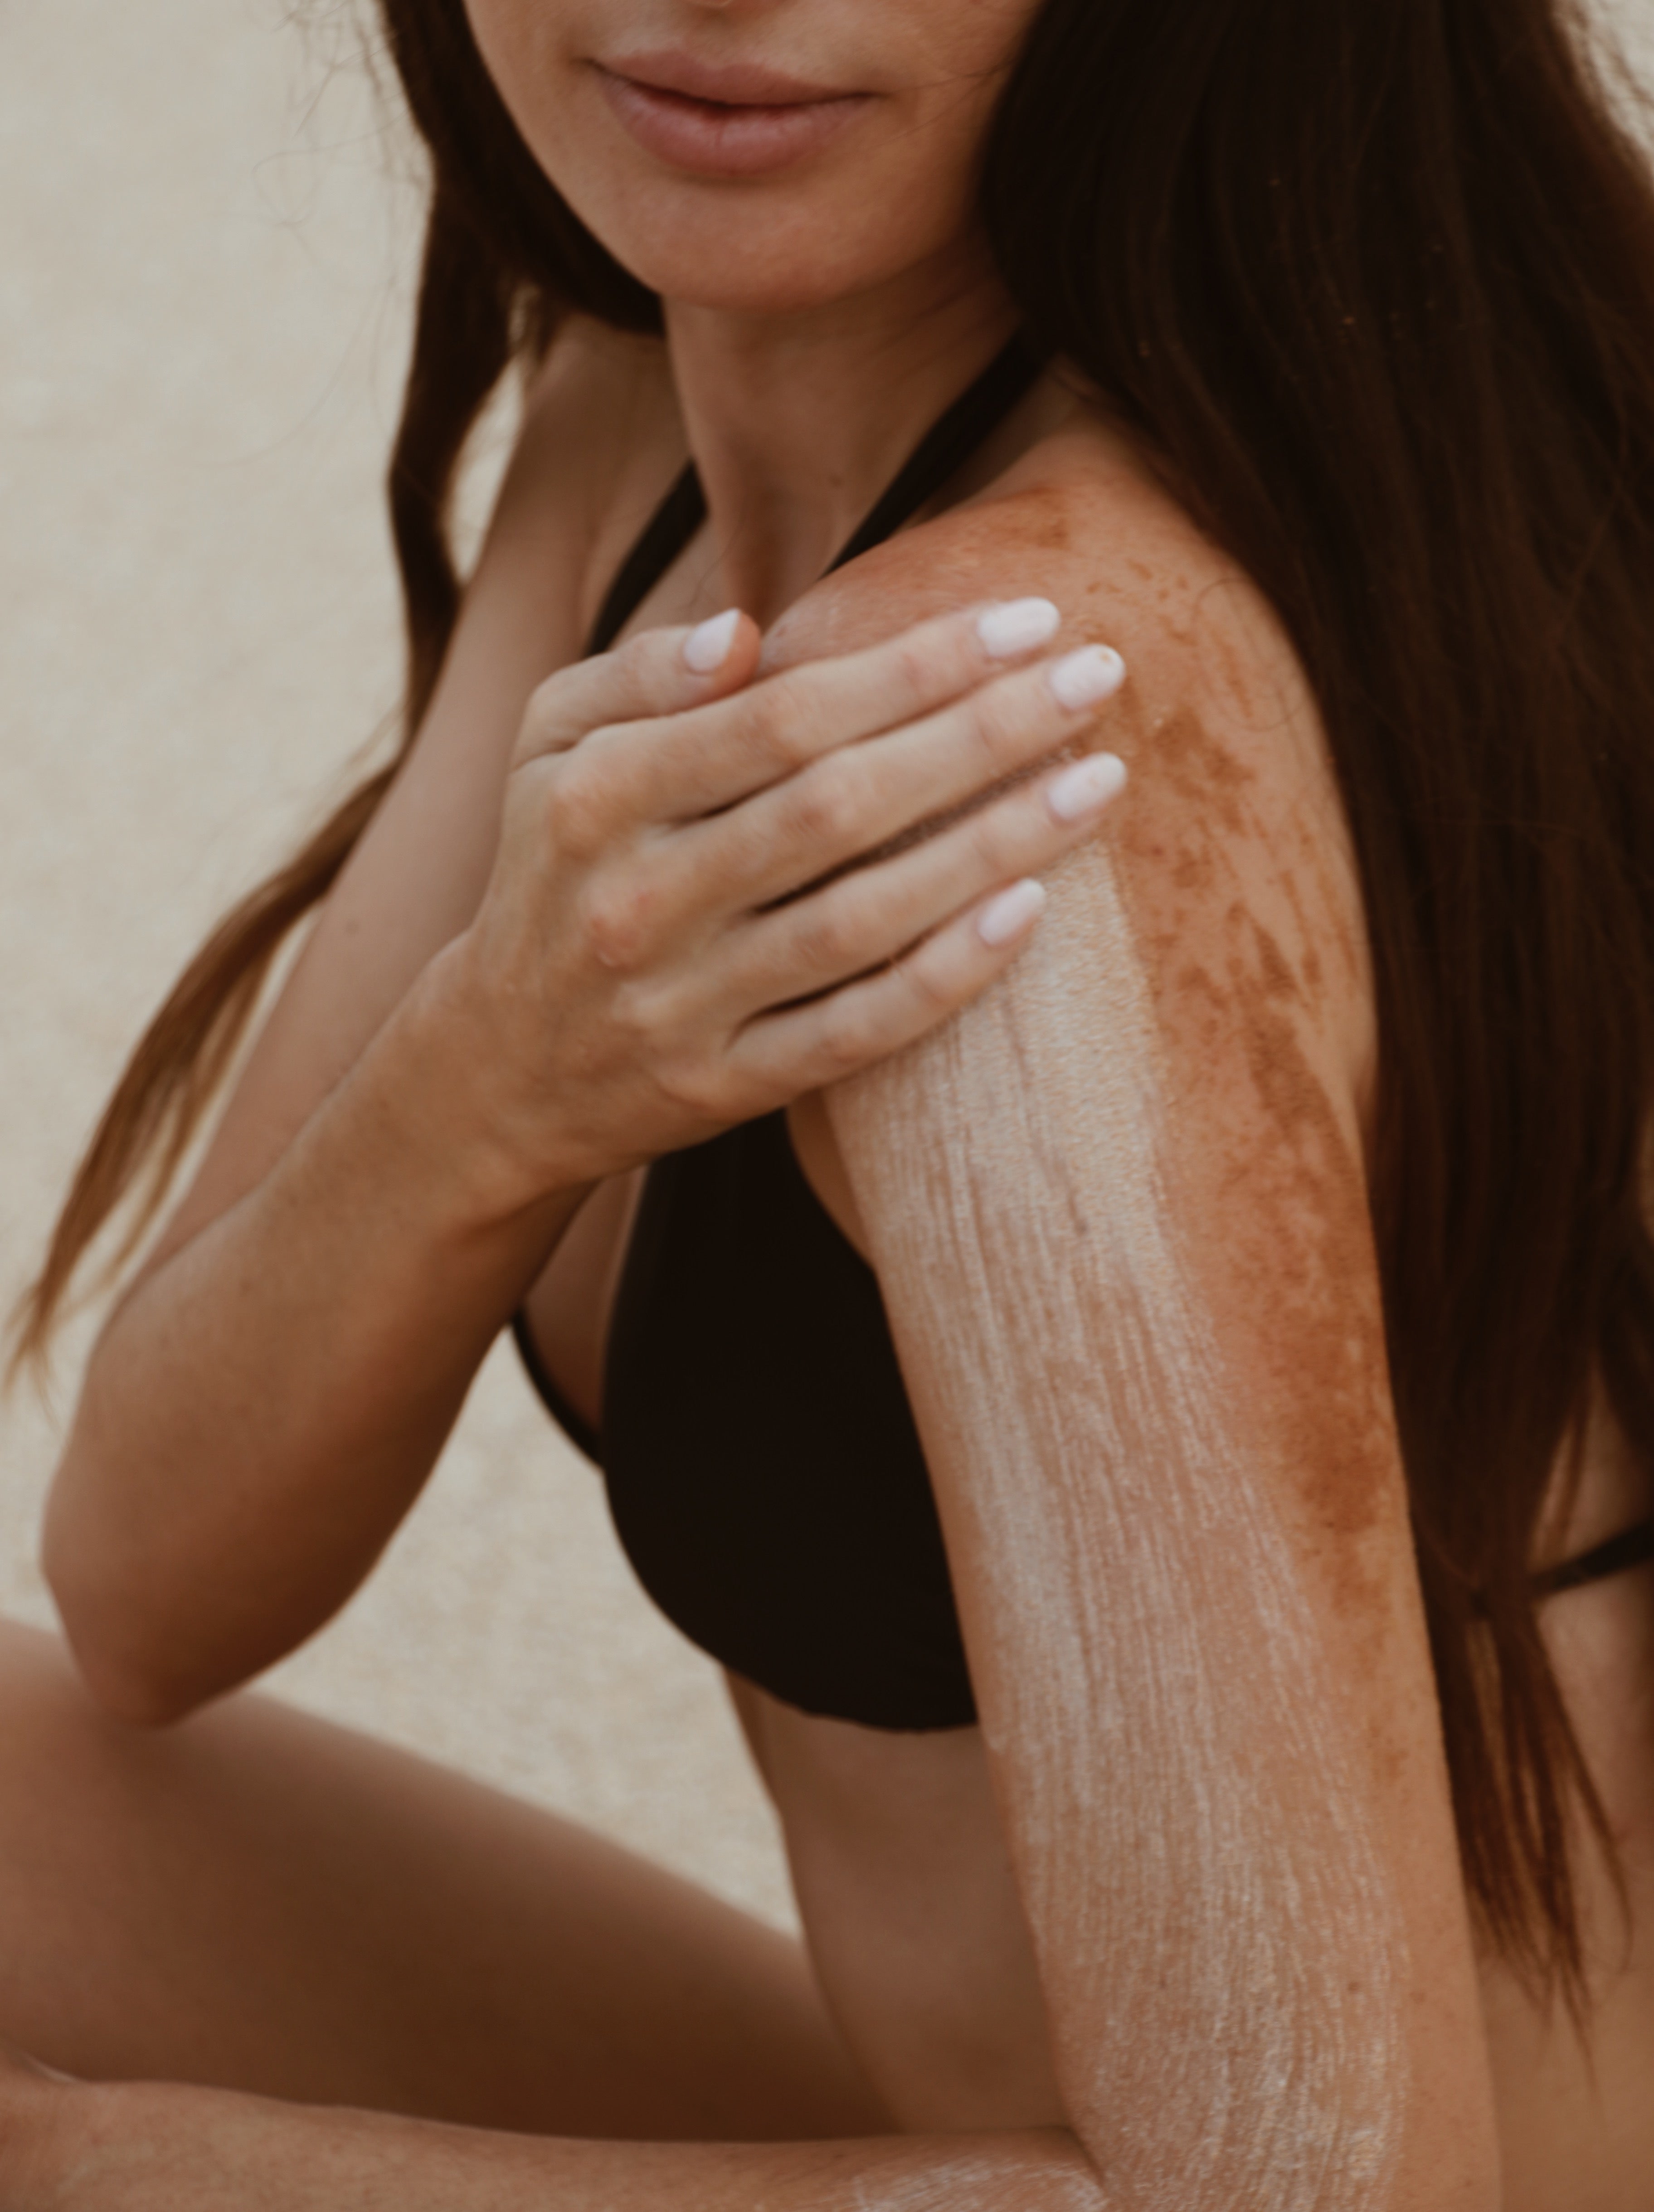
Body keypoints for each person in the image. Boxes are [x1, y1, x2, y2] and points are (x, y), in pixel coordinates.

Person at [2, 0, 1652, 2202]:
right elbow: (141, 1592)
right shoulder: (643, 431)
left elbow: (1320, 2197)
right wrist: (496, 1081)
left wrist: (110, 2167)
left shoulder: (1033, 758)